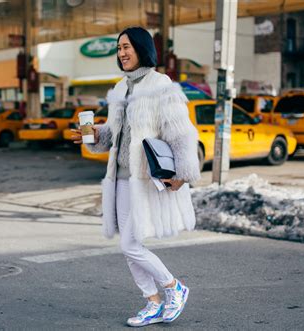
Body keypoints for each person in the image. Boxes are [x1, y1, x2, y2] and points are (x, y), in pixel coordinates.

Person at [71, 27, 200, 327]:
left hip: (144, 179)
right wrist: (92, 135)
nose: (122, 53)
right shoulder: (120, 88)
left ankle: (173, 288)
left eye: (127, 46)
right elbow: (115, 135)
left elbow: (181, 132)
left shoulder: (160, 85)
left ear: (142, 48)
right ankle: (153, 302)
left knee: (130, 245)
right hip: (120, 178)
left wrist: (183, 173)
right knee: (130, 245)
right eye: (118, 48)